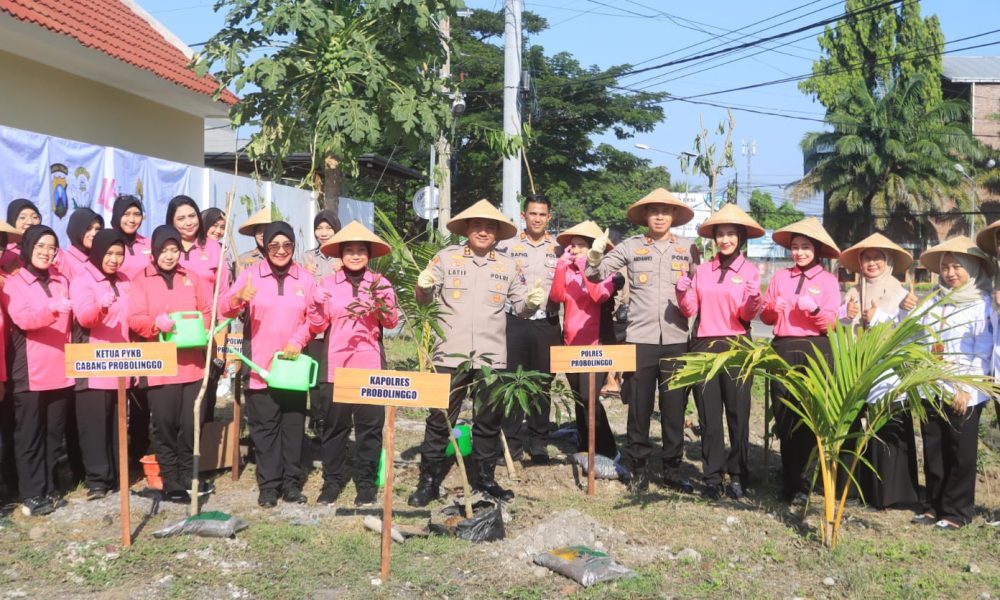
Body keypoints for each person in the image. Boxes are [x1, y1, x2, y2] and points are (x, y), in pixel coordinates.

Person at [408, 200, 546, 506]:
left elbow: (521, 309)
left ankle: (484, 478)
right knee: (440, 419)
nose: (483, 232)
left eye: (489, 227)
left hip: (491, 356)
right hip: (450, 354)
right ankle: (428, 482)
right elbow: (423, 301)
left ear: (497, 233)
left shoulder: (508, 265)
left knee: (488, 420)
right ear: (467, 229)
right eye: (477, 226)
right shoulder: (446, 258)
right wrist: (424, 287)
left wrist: (533, 302)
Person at [585, 188, 700, 493]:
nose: (660, 216)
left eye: (665, 211)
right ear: (646, 217)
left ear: (674, 216)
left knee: (675, 409)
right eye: (654, 211)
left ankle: (672, 470)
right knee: (639, 408)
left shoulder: (689, 249)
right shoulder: (631, 247)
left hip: (676, 339)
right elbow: (596, 275)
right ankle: (638, 469)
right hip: (640, 339)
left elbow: (702, 290)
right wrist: (593, 258)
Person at [222, 222, 315, 507]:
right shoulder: (251, 275)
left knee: (293, 427)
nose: (280, 250)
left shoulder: (305, 278)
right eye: (274, 245)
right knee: (264, 429)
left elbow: (315, 317)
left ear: (293, 248)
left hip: (292, 366)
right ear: (265, 247)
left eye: (287, 245)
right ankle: (269, 486)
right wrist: (238, 297)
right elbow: (226, 308)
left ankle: (291, 484)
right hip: (260, 365)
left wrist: (298, 340)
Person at [676, 203, 764, 500]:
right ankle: (712, 475)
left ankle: (738, 473)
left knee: (738, 413)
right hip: (703, 344)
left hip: (738, 345)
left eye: (731, 234)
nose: (725, 239)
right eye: (720, 234)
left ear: (741, 237)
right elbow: (690, 309)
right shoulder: (702, 270)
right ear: (713, 239)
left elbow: (747, 315)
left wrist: (754, 297)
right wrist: (682, 290)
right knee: (709, 416)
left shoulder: (750, 271)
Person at [308, 221, 398, 506]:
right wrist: (316, 303)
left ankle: (366, 484)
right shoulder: (327, 284)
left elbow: (392, 323)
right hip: (336, 366)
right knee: (334, 428)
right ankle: (331, 483)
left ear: (369, 255)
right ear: (340, 254)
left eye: (361, 250)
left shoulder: (380, 284)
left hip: (370, 365)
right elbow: (317, 325)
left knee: (370, 428)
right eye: (350, 250)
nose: (356, 255)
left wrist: (385, 305)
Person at [127, 225, 213, 504]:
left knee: (190, 424)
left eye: (174, 249)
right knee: (164, 424)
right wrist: (155, 324)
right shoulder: (141, 280)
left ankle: (189, 474)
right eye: (164, 250)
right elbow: (134, 317)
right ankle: (170, 478)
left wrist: (203, 329)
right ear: (153, 251)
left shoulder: (193, 277)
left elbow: (208, 309)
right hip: (159, 363)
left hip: (192, 364)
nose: (169, 255)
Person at [911, 237, 992, 530]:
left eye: (958, 266)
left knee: (960, 450)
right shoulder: (932, 299)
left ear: (972, 268)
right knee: (933, 446)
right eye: (945, 267)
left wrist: (966, 388)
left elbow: (982, 352)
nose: (950, 273)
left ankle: (957, 512)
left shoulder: (980, 303)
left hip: (963, 387)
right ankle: (933, 505)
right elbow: (914, 336)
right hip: (930, 384)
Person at [760, 217, 841, 505]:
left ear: (816, 249)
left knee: (808, 414)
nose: (799, 253)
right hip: (783, 346)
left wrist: (816, 309)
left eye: (805, 247)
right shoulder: (781, 277)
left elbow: (832, 324)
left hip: (816, 348)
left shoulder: (829, 281)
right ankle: (789, 476)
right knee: (783, 412)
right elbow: (765, 316)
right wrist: (772, 308)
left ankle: (803, 482)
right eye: (794, 247)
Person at [837, 233, 919, 510]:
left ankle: (890, 494)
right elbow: (840, 322)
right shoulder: (854, 290)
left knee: (886, 428)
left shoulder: (900, 293)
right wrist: (847, 314)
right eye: (866, 258)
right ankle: (852, 490)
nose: (871, 263)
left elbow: (909, 332)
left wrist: (880, 317)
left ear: (888, 262)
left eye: (877, 258)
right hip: (857, 368)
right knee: (852, 423)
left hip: (887, 371)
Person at [2, 225, 74, 516]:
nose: (46, 252)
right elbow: (23, 318)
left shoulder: (60, 280)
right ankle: (31, 492)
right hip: (30, 371)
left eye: (52, 247)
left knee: (53, 436)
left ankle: (48, 486)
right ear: (28, 248)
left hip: (62, 368)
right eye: (41, 246)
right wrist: (52, 310)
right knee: (29, 436)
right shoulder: (14, 282)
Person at [498, 194, 561, 464]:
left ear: (549, 217)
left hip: (546, 323)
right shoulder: (506, 246)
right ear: (524, 216)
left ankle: (538, 444)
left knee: (542, 383)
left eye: (542, 214)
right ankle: (511, 443)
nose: (537, 219)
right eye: (532, 214)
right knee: (512, 380)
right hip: (514, 322)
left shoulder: (560, 249)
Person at [548, 220, 618, 460]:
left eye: (580, 246)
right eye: (572, 246)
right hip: (570, 343)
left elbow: (599, 296)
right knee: (578, 398)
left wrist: (584, 266)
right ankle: (584, 445)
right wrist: (561, 267)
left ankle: (608, 449)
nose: (574, 250)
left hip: (596, 345)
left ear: (592, 248)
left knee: (591, 400)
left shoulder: (609, 272)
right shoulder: (568, 270)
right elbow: (557, 296)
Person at [70, 229, 130, 499]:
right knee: (94, 424)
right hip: (93, 363)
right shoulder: (83, 280)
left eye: (119, 254)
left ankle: (118, 475)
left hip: (122, 363)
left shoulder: (125, 280)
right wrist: (101, 307)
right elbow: (84, 317)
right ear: (97, 253)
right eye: (109, 253)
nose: (115, 259)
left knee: (118, 423)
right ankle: (96, 480)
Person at [303, 210, 342, 436]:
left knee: (335, 374)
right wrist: (303, 272)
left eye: (328, 228)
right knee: (316, 374)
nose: (323, 233)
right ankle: (317, 417)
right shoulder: (308, 257)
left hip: (338, 328)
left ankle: (334, 416)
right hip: (316, 328)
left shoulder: (344, 255)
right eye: (319, 228)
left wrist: (343, 268)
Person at [110, 195, 152, 281]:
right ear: (117, 215)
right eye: (126, 214)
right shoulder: (107, 243)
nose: (132, 220)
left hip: (146, 293)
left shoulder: (150, 244)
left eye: (137, 214)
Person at [58, 208, 104, 280]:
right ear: (77, 229)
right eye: (88, 228)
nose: (94, 234)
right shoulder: (64, 261)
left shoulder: (101, 259)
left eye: (97, 229)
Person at [1, 199, 42, 272]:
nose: (30, 222)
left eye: (35, 217)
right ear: (12, 221)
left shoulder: (49, 248)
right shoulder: (4, 249)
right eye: (22, 217)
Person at [236, 207, 271, 272]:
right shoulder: (243, 259)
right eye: (259, 231)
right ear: (254, 234)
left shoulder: (281, 258)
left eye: (266, 231)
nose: (263, 234)